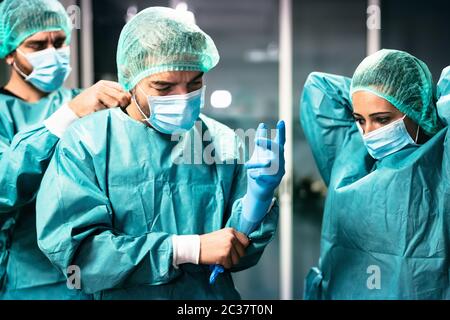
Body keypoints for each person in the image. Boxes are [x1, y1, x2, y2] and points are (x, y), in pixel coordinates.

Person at [35, 7, 285, 300]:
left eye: (194, 84)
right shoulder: (87, 142)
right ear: (130, 79)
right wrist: (188, 249)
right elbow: (78, 255)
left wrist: (259, 199)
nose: (182, 98)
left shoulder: (221, 141)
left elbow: (236, 251)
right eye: (163, 87)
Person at [0, 0, 130, 299]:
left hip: (98, 273)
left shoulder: (87, 102)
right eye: (37, 45)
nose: (52, 53)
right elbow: (4, 186)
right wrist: (67, 116)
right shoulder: (75, 107)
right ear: (9, 52)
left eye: (59, 42)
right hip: (29, 280)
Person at [300, 49, 450, 299]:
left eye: (381, 119)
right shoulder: (351, 156)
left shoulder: (441, 160)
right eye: (360, 119)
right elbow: (319, 88)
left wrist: (431, 105)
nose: (369, 133)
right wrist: (370, 90)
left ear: (416, 109)